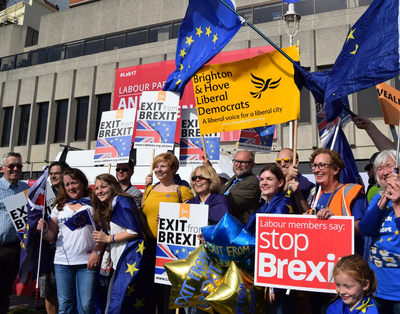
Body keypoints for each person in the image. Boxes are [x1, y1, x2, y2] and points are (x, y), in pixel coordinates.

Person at [308, 148, 367, 314]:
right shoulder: (316, 195)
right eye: (314, 165)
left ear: (335, 169)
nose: (316, 170)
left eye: (322, 165)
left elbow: (363, 227)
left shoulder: (351, 192)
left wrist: (336, 221)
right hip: (317, 271)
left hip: (343, 274)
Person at [37, 168, 103, 314]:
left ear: (82, 183)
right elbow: (51, 235)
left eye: (74, 183)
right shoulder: (58, 207)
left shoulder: (94, 204)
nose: (71, 187)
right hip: (62, 263)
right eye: (67, 184)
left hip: (87, 263)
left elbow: (103, 231)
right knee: (65, 306)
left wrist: (97, 252)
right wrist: (44, 230)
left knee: (86, 306)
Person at [143, 152, 194, 314]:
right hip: (148, 246)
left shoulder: (183, 190)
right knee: (150, 292)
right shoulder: (149, 189)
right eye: (156, 166)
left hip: (169, 248)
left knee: (167, 293)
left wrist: (171, 216)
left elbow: (190, 218)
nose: (158, 169)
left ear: (173, 168)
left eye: (163, 166)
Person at [91, 174, 149, 313]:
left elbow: (134, 231)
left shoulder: (123, 202)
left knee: (115, 307)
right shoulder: (111, 205)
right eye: (97, 188)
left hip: (127, 263)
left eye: (104, 186)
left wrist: (108, 239)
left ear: (113, 187)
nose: (100, 191)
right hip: (117, 263)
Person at [245, 165, 294, 314]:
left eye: (269, 179)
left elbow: (277, 247)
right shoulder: (265, 205)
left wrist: (272, 285)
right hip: (266, 273)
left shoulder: (283, 206)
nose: (264, 182)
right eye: (262, 179)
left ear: (280, 183)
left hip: (278, 278)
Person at [358, 150, 400, 314]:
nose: (384, 172)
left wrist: (396, 205)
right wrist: (384, 200)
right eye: (379, 168)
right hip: (378, 287)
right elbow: (365, 229)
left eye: (389, 166)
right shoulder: (377, 198)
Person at [0, 152, 30, 314]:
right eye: (12, 165)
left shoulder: (26, 189)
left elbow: (30, 217)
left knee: (4, 292)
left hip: (14, 249)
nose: (16, 169)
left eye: (19, 165)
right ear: (2, 168)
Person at [39, 161, 70, 314]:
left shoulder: (73, 193)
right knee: (49, 289)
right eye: (51, 173)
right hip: (48, 250)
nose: (53, 176)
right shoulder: (43, 194)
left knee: (67, 291)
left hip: (69, 249)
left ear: (65, 173)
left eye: (56, 173)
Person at [220, 150, 260, 225]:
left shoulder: (252, 182)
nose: (238, 165)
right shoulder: (232, 179)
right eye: (236, 161)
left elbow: (228, 204)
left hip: (237, 230)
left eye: (243, 162)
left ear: (252, 165)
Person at [276, 148, 315, 214]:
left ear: (296, 162)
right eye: (279, 161)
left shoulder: (308, 186)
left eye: (286, 160)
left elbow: (307, 213)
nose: (282, 164)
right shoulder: (272, 182)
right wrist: (287, 179)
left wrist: (298, 194)